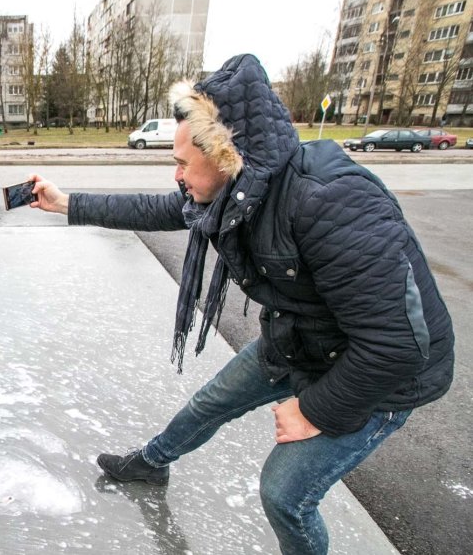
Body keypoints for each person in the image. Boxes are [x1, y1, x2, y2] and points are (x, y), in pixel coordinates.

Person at [29, 54, 454, 555]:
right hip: (300, 340)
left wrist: (313, 410)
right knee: (210, 404)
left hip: (381, 374)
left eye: (183, 163)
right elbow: (160, 209)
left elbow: (398, 344)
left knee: (285, 495)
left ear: (227, 156)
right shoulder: (239, 191)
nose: (178, 176)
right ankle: (151, 463)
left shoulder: (331, 200)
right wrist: (66, 204)